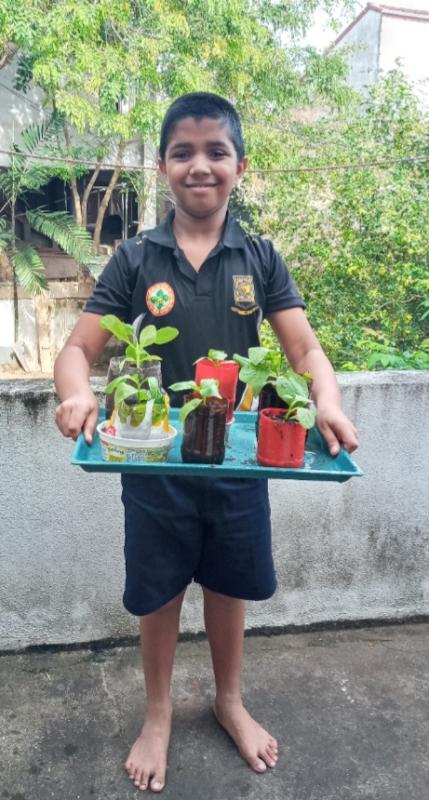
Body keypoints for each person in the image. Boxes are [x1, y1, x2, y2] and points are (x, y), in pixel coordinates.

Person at [54, 92, 358, 793]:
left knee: (227, 586)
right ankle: (158, 713)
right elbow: (78, 350)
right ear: (163, 167)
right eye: (182, 153)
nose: (200, 166)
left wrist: (327, 401)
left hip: (237, 462)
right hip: (152, 462)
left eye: (216, 152)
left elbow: (304, 348)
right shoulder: (135, 258)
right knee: (158, 594)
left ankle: (228, 701)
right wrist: (77, 393)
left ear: (239, 166)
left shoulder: (260, 257)